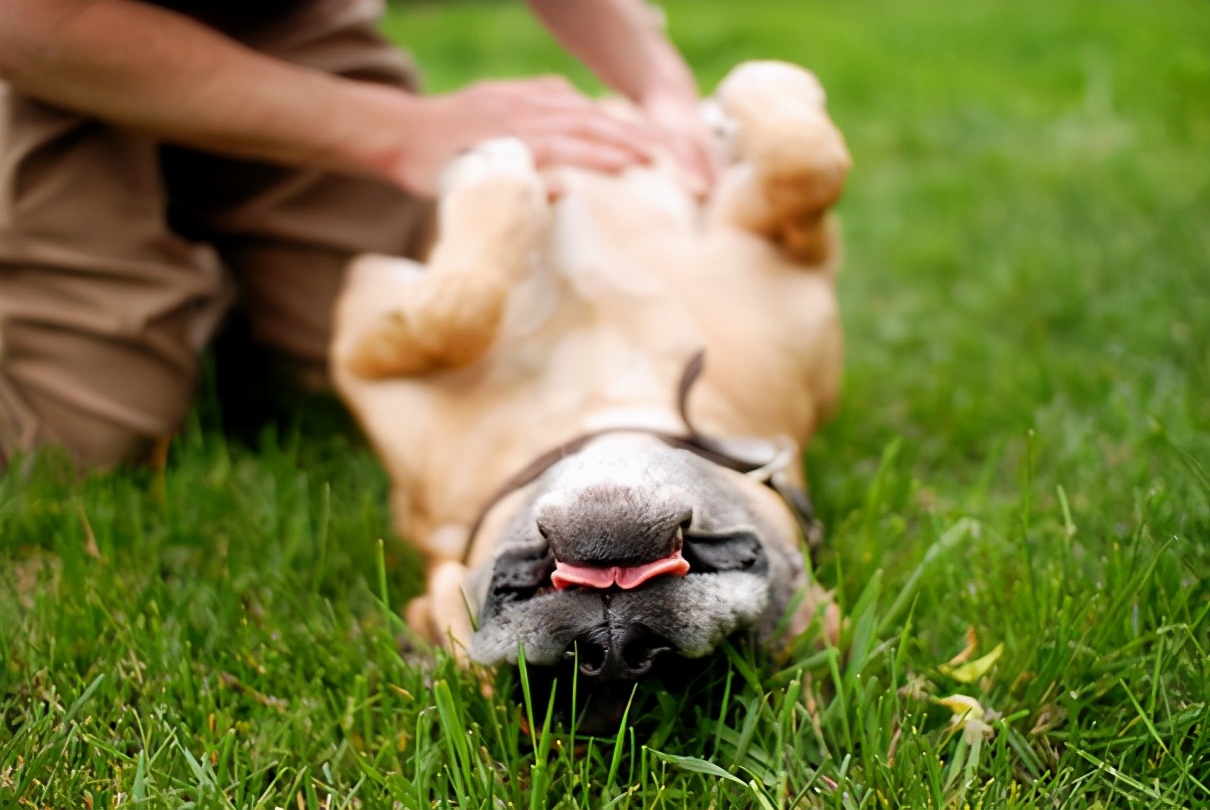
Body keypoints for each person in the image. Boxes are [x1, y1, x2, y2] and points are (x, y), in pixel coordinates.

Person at [0, 0, 716, 468]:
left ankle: (189, 255)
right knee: (81, 441)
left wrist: (659, 88)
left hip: (265, 15)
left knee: (399, 362)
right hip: (44, 37)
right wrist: (398, 135)